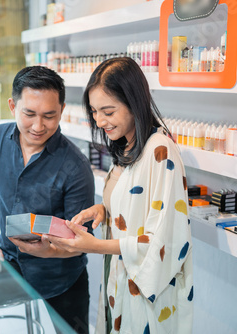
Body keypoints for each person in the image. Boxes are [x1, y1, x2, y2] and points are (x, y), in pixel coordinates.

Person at [45, 57, 193, 333]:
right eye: (94, 111)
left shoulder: (160, 152)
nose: (100, 121)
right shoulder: (126, 146)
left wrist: (90, 246)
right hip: (120, 278)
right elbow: (133, 202)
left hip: (146, 290)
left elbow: (161, 241)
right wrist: (104, 210)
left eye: (108, 111)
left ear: (134, 102)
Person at [0, 66, 95, 333]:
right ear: (13, 105)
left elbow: (83, 242)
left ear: (61, 110)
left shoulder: (75, 166)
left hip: (60, 278)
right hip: (8, 262)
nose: (39, 126)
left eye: (50, 116)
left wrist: (48, 251)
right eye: (29, 114)